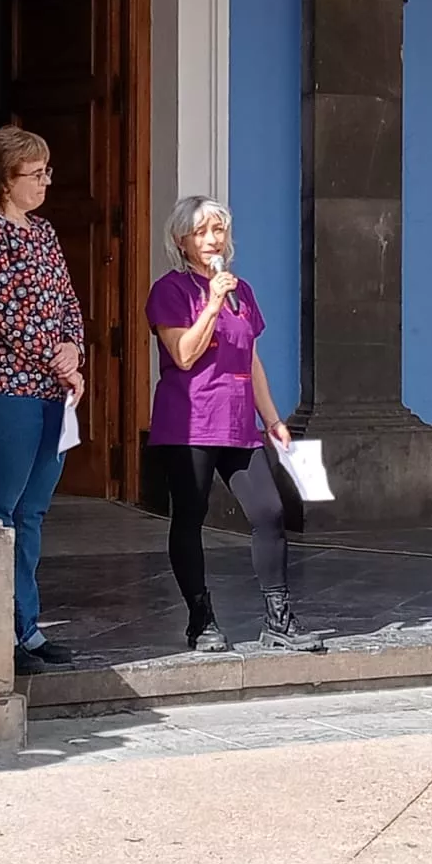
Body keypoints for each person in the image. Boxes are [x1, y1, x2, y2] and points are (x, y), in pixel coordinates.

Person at [147, 196, 322, 654]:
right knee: (190, 517)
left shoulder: (242, 292)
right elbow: (183, 353)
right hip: (189, 422)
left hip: (238, 422)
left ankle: (279, 619)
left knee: (269, 512)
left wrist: (273, 419)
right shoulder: (169, 290)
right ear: (181, 240)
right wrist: (212, 302)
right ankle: (201, 619)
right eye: (202, 231)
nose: (212, 239)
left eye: (219, 230)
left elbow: (253, 360)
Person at [0, 126, 87, 676]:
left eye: (47, 171)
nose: (45, 181)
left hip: (50, 392)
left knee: (31, 512)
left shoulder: (45, 233)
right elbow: (4, 311)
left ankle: (27, 629)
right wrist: (53, 354)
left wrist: (74, 349)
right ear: (2, 180)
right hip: (0, 387)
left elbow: (67, 302)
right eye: (35, 173)